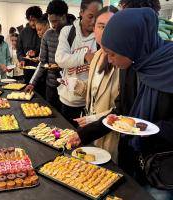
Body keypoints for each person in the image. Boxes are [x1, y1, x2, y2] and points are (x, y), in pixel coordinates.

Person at [68, 8, 173, 200]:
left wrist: (149, 130)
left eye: (112, 54)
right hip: (131, 160)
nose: (109, 60)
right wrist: (85, 133)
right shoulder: (132, 66)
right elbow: (121, 112)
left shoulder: (168, 66)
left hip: (162, 170)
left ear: (131, 45)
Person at [73, 6, 119, 162]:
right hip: (89, 131)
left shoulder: (122, 61)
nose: (105, 31)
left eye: (111, 26)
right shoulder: (97, 55)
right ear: (94, 29)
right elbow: (93, 93)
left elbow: (123, 108)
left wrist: (93, 119)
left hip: (108, 133)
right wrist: (76, 85)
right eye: (101, 26)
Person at [55, 0, 103, 127]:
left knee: (84, 142)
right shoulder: (68, 32)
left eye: (97, 17)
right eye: (90, 16)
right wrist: (85, 56)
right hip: (67, 99)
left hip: (89, 103)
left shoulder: (100, 36)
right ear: (81, 12)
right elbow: (60, 59)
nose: (94, 21)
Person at [26, 0, 69, 110]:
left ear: (64, 16)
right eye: (51, 22)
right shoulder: (47, 35)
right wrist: (32, 83)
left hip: (68, 88)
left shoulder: (73, 34)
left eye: (55, 21)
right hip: (51, 86)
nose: (53, 25)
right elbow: (42, 62)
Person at [17, 6, 42, 83]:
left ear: (39, 18)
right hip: (27, 71)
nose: (32, 23)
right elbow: (19, 50)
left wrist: (36, 53)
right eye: (30, 20)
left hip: (41, 71)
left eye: (34, 20)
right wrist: (21, 60)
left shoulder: (44, 31)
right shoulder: (23, 32)